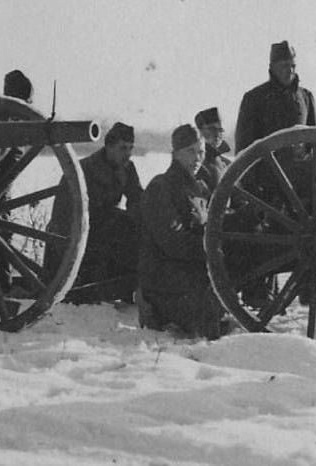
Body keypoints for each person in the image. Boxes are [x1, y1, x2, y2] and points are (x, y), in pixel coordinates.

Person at [137, 125, 229, 339]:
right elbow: (173, 242)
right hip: (164, 278)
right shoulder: (161, 187)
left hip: (191, 269)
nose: (197, 158)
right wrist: (213, 249)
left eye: (201, 152)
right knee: (207, 327)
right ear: (175, 154)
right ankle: (152, 307)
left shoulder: (201, 187)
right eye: (190, 151)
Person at [47, 122, 143, 302]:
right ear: (108, 147)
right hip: (77, 237)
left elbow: (137, 199)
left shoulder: (128, 169)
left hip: (104, 231)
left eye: (131, 148)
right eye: (123, 148)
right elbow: (63, 219)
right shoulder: (83, 170)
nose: (128, 154)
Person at [235, 40, 316, 153]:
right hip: (266, 169)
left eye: (293, 66)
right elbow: (244, 148)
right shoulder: (254, 98)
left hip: (302, 168)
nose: (290, 70)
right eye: (284, 66)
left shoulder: (306, 97)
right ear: (272, 67)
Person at [194, 107, 232, 191]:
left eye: (220, 130)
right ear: (199, 132)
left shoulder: (227, 164)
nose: (217, 134)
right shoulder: (195, 164)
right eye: (212, 129)